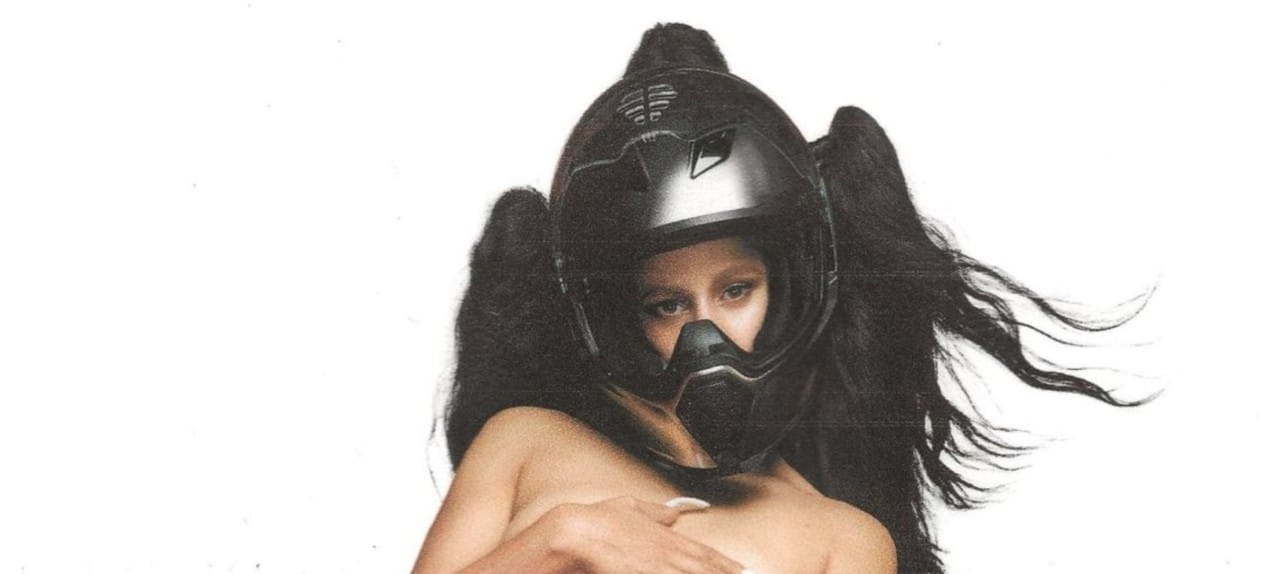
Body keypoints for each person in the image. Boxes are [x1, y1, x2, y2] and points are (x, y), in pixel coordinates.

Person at [412, 23, 1147, 574]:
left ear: (789, 285)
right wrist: (559, 540)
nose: (704, 333)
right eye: (666, 304)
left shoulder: (844, 540)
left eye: (735, 289)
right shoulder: (524, 440)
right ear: (619, 315)